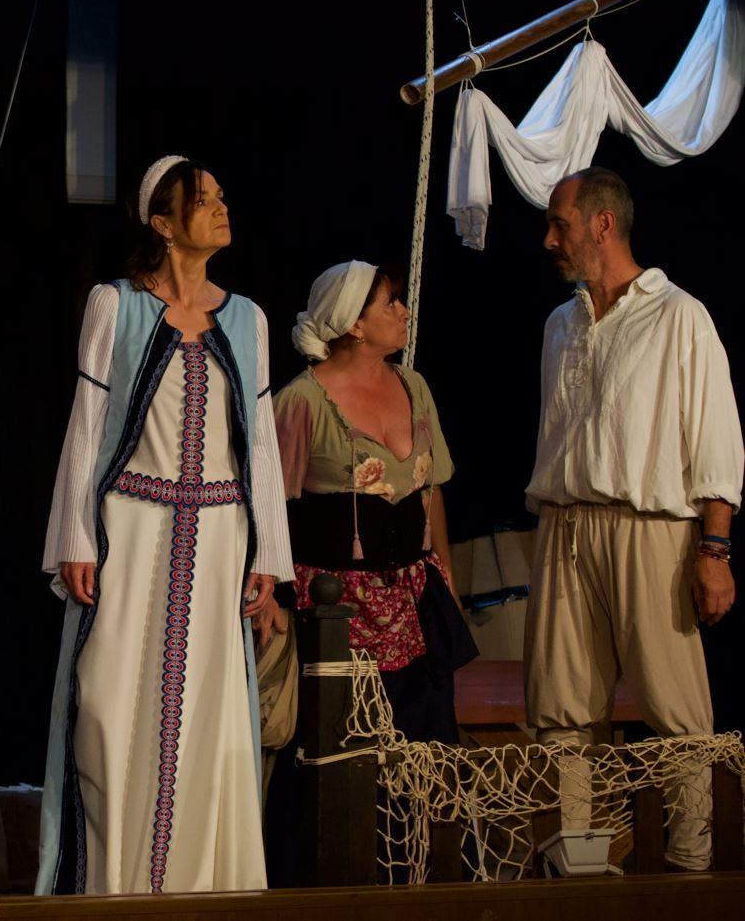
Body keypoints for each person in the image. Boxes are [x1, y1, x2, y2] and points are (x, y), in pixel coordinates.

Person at [36, 155, 293, 895]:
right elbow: (87, 425)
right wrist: (75, 537)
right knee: (109, 704)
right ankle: (111, 886)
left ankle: (199, 887)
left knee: (208, 713)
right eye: (203, 200)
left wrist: (268, 556)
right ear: (163, 222)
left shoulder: (246, 319)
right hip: (132, 527)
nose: (220, 209)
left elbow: (260, 444)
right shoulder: (114, 305)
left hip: (218, 537)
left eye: (220, 197)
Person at [525, 167, 741, 871]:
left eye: (559, 224)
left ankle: (691, 862)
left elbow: (714, 440)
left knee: (676, 710)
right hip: (565, 526)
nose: (549, 239)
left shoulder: (678, 315)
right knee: (559, 710)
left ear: (602, 224)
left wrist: (713, 549)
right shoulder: (560, 324)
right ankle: (573, 862)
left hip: (649, 528)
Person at [273, 260, 476, 744]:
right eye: (391, 303)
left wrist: (447, 579)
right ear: (355, 325)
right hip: (337, 612)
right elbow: (268, 510)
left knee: (427, 747)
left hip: (415, 605)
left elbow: (432, 491)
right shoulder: (302, 401)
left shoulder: (414, 386)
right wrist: (274, 602)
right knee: (350, 750)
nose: (404, 311)